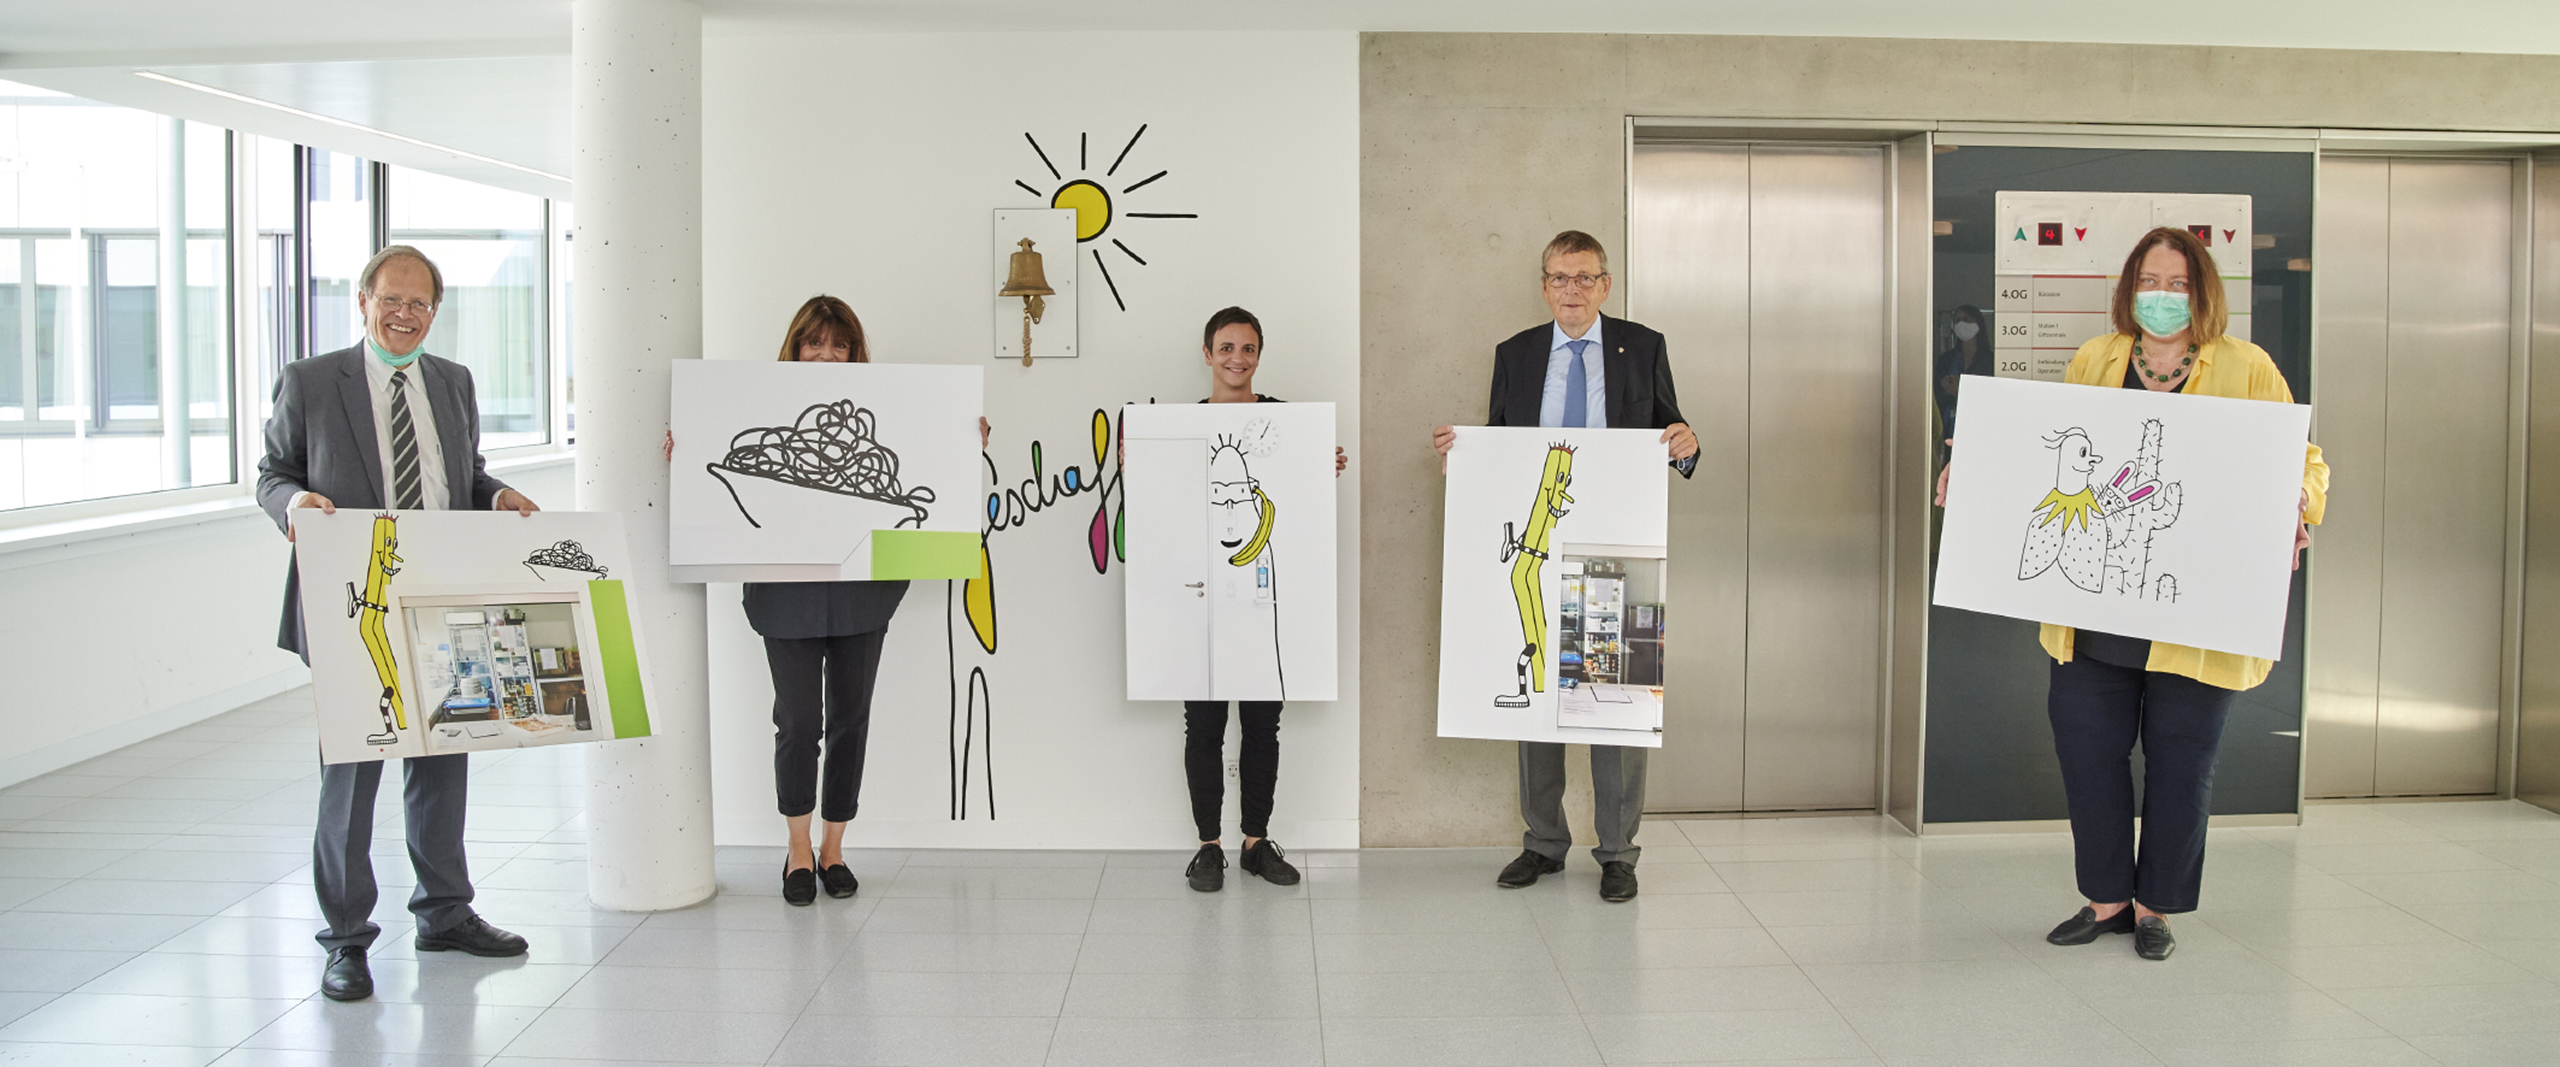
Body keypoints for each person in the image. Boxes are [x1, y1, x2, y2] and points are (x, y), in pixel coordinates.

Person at [1938, 227, 2326, 960]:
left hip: (2196, 615)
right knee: (2089, 754)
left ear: (2202, 291)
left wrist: (2295, 506)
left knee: (2183, 764)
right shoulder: (2097, 359)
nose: (2162, 296)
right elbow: (2051, 451)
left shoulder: (2247, 367)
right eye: (2151, 280)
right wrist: (1979, 473)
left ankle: (2156, 908)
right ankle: (2107, 898)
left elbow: (2300, 460)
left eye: (2178, 283)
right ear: (2128, 287)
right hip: (2095, 610)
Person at [257, 245, 541, 1002]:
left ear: (434, 312)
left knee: (445, 757)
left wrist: (499, 495)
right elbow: (273, 472)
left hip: (445, 597)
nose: (405, 314)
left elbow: (463, 475)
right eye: (392, 299)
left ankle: (445, 911)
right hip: (355, 604)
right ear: (362, 300)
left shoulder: (452, 382)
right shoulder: (313, 381)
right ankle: (346, 939)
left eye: (419, 304)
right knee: (352, 776)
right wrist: (294, 505)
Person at [1431, 230, 1698, 903]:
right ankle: (1544, 841)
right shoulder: (1516, 355)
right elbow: (1497, 452)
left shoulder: (1643, 348)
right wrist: (1461, 461)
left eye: (1584, 278)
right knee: (1536, 689)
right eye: (1558, 278)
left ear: (1605, 284)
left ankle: (1617, 852)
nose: (1571, 290)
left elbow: (1674, 436)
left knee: (1614, 699)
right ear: (1543, 285)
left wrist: (1689, 443)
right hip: (1541, 546)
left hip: (1617, 547)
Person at [1180, 306, 1347, 893]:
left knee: (1261, 724)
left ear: (1258, 354)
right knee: (1201, 725)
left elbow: (1296, 505)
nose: (1236, 359)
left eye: (1247, 349)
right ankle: (1207, 846)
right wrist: (1139, 466)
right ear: (1207, 354)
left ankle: (1254, 840)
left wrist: (1319, 469)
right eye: (1225, 348)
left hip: (1260, 594)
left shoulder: (1285, 422)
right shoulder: (1182, 425)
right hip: (1200, 601)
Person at [1935, 304, 1988, 433]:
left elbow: (1990, 401)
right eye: (1957, 320)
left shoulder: (1989, 362)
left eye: (1967, 319)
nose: (1961, 324)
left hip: (1979, 430)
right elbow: (1936, 397)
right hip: (1948, 430)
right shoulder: (1945, 360)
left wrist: (1959, 393)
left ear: (1978, 324)